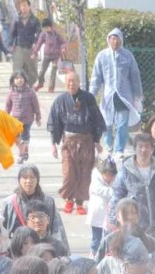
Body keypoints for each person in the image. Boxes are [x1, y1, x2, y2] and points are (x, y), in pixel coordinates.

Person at [47, 70, 104, 214]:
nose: (71, 84)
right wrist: (53, 143)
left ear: (79, 83)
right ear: (65, 83)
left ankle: (79, 202)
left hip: (86, 141)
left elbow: (97, 119)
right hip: (68, 142)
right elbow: (54, 122)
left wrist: (97, 140)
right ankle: (68, 199)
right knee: (69, 173)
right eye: (68, 81)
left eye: (74, 81)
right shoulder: (60, 101)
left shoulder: (88, 98)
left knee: (84, 173)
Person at [114, 133, 155, 246]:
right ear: (135, 148)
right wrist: (114, 220)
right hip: (134, 228)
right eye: (140, 146)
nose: (143, 150)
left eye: (147, 146)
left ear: (152, 149)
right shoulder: (125, 170)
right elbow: (117, 196)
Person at [90, 27, 142, 156]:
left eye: (117, 39)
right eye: (112, 39)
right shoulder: (102, 56)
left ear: (121, 40)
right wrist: (91, 96)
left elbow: (135, 77)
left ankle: (119, 149)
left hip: (124, 96)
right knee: (106, 122)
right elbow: (96, 77)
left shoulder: (127, 56)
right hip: (108, 96)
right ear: (109, 40)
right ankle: (108, 144)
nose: (115, 42)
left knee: (122, 123)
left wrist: (137, 96)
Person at [1, 163, 56, 236]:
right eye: (25, 177)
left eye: (32, 177)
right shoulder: (9, 202)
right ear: (19, 180)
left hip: (42, 244)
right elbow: (2, 229)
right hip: (19, 244)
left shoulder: (48, 201)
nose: (28, 181)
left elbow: (56, 228)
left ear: (37, 180)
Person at [5, 0, 41, 87]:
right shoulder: (16, 19)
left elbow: (39, 34)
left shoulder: (35, 20)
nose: (23, 8)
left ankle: (29, 86)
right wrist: (10, 46)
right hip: (19, 47)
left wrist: (36, 47)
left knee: (32, 70)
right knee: (17, 68)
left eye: (25, 6)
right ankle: (17, 86)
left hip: (30, 48)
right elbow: (11, 34)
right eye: (21, 6)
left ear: (29, 7)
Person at [35, 17, 65, 91]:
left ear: (51, 26)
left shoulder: (57, 34)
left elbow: (63, 42)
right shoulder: (43, 35)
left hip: (56, 56)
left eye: (47, 27)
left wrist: (63, 48)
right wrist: (35, 52)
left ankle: (51, 87)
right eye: (45, 28)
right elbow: (38, 44)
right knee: (42, 71)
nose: (46, 29)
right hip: (47, 56)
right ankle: (40, 83)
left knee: (53, 71)